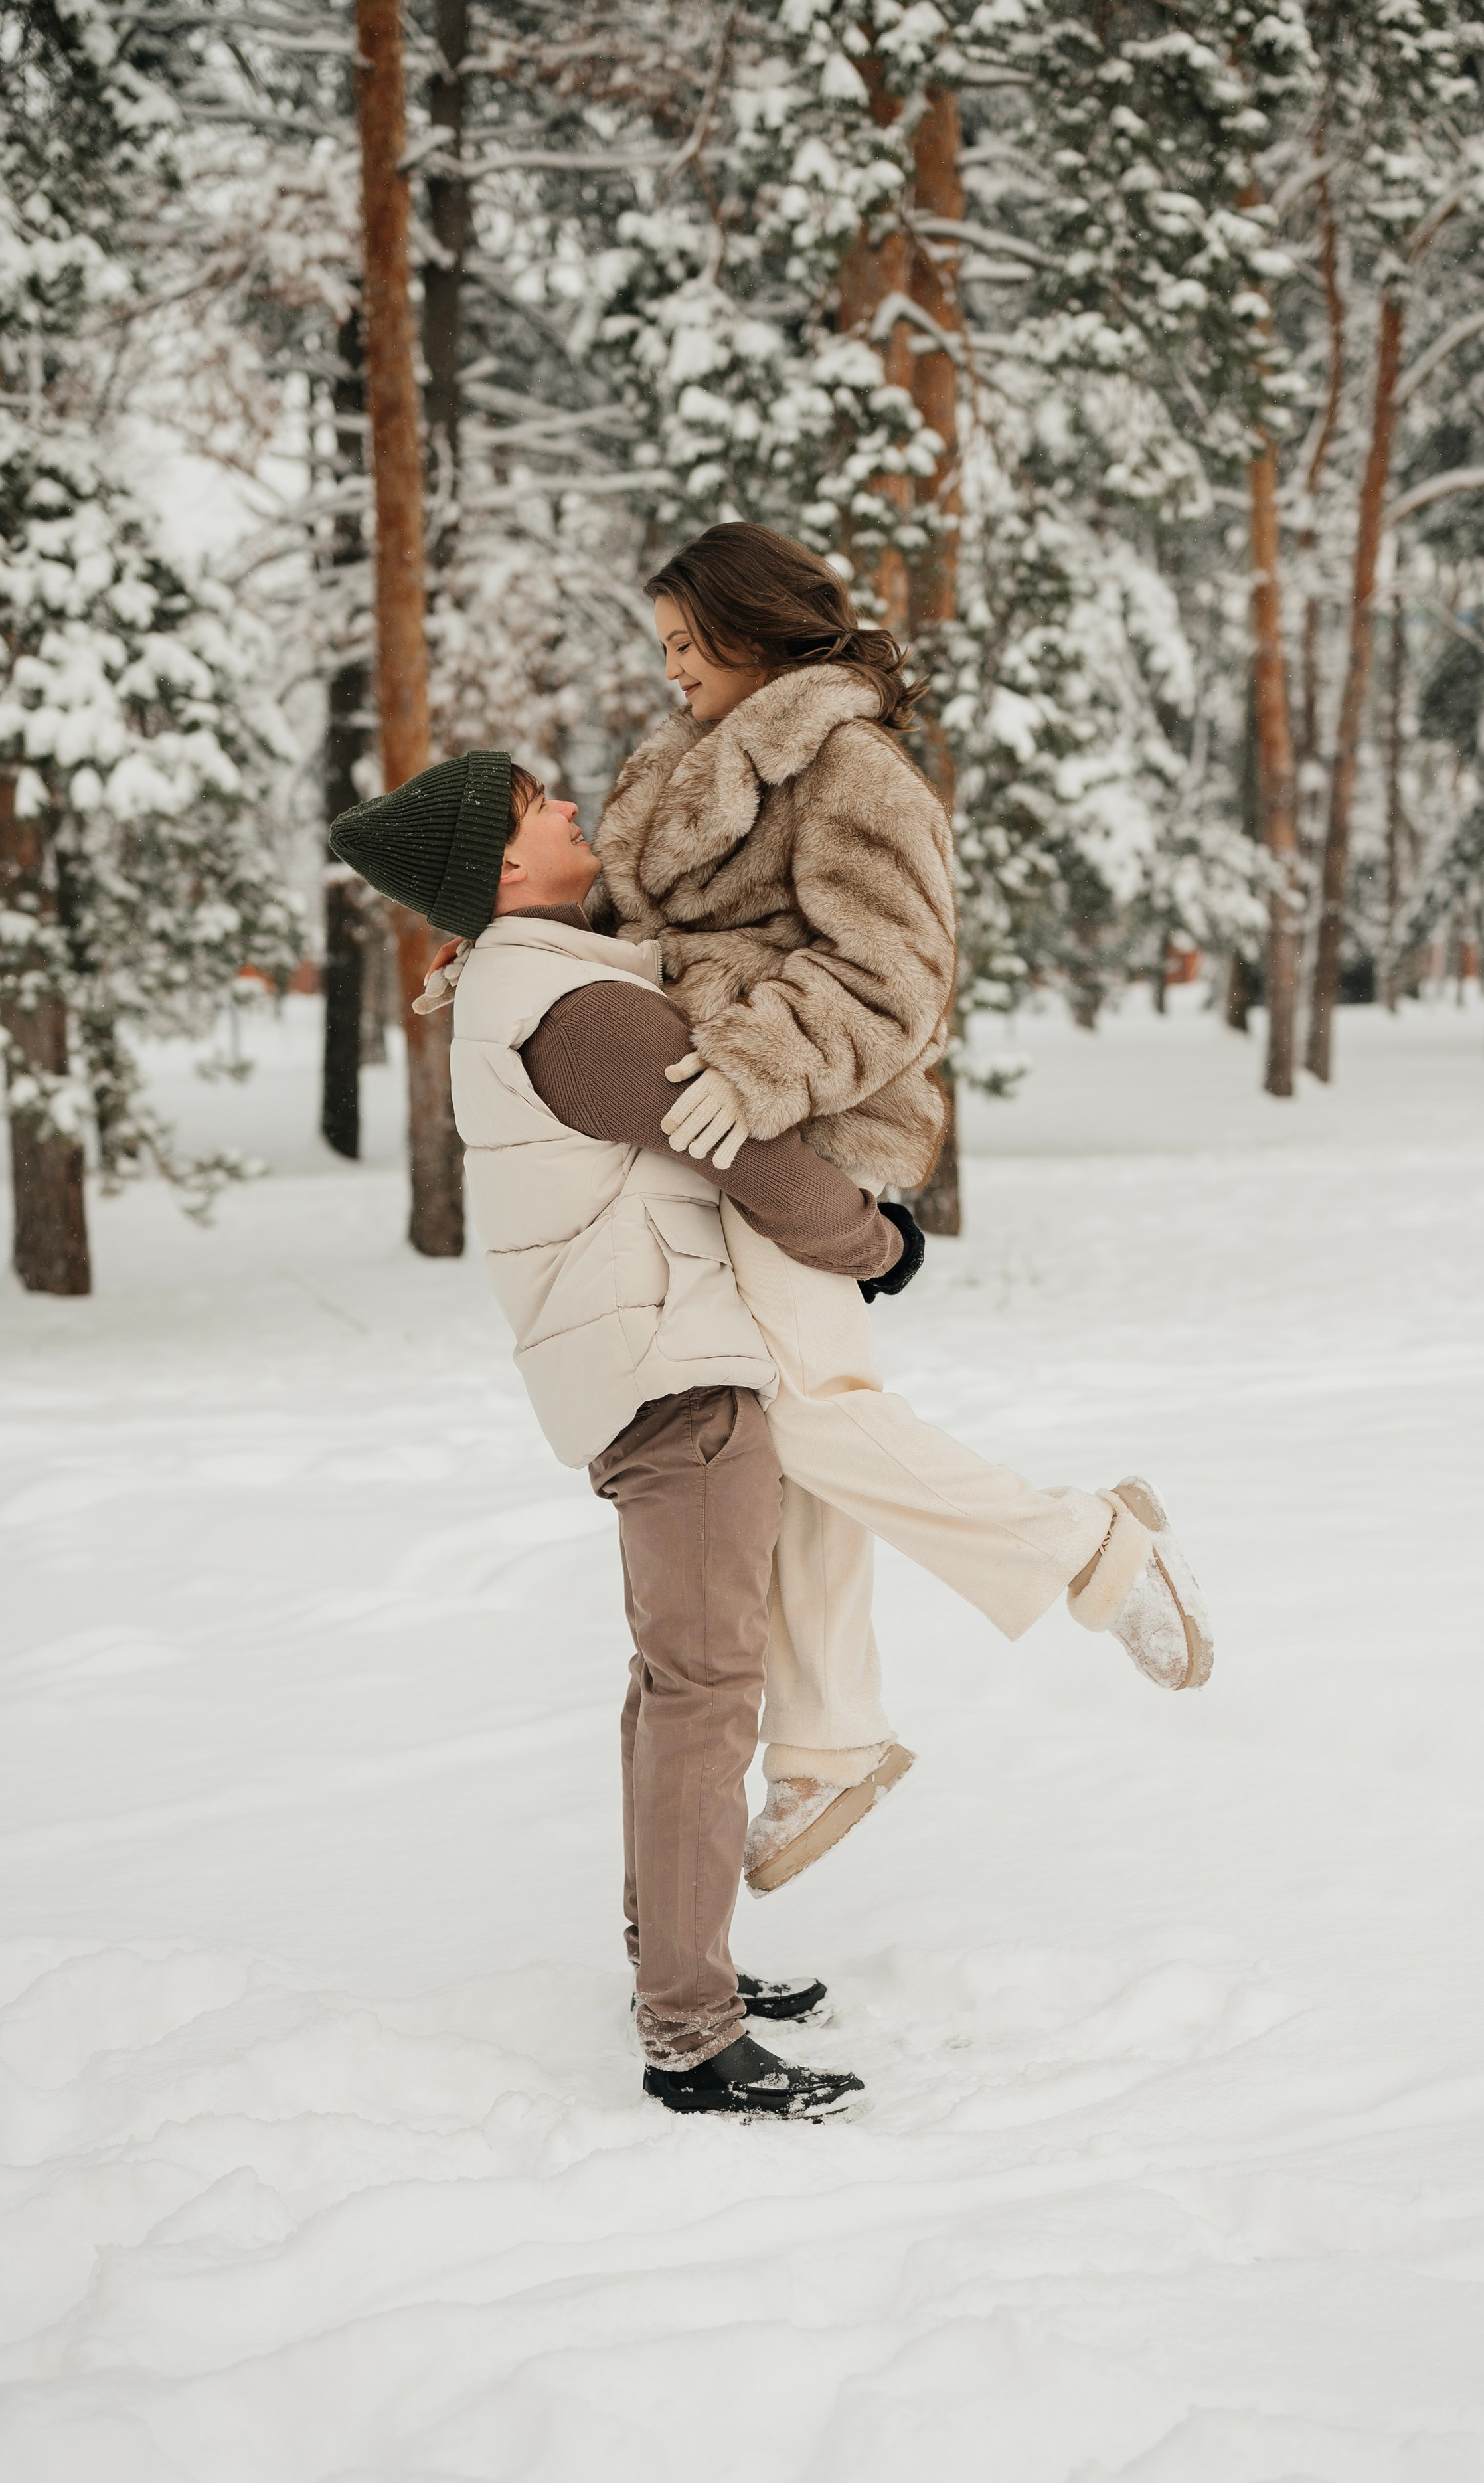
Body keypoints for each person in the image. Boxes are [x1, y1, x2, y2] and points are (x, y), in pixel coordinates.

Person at [587, 523, 1212, 1893]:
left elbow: (893, 974)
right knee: (788, 1426)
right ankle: (825, 1739)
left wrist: (757, 1064)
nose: (674, 667)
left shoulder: (851, 769)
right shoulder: (675, 775)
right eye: (665, 647)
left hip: (794, 1130)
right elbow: (625, 930)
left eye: (691, 642)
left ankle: (1090, 1545)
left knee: (807, 1420)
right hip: (707, 1136)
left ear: (760, 634)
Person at [331, 750, 915, 2119]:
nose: (568, 808)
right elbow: (745, 1148)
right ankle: (690, 2031)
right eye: (537, 805)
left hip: (648, 1358)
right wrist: (876, 1240)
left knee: (679, 1686)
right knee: (704, 1691)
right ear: (500, 871)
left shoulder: (538, 983)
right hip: (673, 1373)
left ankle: (679, 1959)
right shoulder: (571, 1010)